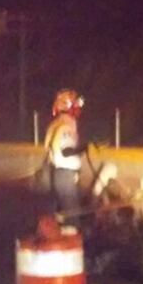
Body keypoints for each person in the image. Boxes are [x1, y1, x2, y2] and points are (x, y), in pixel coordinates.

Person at [45, 89, 86, 220]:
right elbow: (66, 150)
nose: (78, 110)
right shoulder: (66, 124)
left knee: (60, 212)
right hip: (65, 175)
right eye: (76, 107)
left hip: (58, 173)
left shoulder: (55, 123)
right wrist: (83, 148)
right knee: (72, 214)